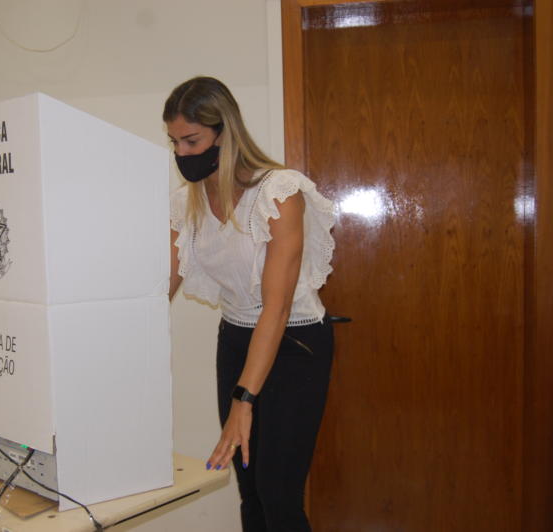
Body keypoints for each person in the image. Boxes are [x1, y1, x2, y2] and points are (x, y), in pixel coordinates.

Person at [164, 76, 336, 532]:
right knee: (251, 491)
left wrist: (245, 399)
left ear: (225, 133)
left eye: (191, 140)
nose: (182, 153)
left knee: (278, 493)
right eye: (174, 142)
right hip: (237, 339)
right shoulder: (187, 203)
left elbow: (276, 308)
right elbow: (160, 287)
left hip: (295, 343)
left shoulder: (279, 193)